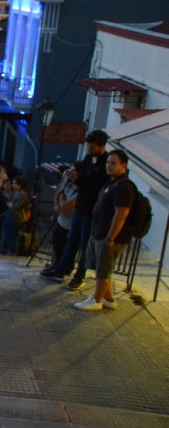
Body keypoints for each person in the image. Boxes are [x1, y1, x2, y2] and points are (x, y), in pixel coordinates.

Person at [40, 130, 110, 289]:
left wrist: (77, 181)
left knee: (84, 244)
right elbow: (82, 174)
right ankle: (61, 269)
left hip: (91, 209)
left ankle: (79, 276)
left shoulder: (104, 164)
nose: (89, 150)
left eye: (92, 148)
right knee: (72, 239)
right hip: (81, 207)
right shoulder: (88, 159)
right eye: (88, 147)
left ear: (101, 146)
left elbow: (94, 186)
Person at [74, 150, 136, 311]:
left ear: (123, 166)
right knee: (103, 268)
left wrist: (110, 237)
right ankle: (108, 298)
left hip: (109, 236)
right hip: (99, 232)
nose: (109, 165)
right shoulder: (111, 183)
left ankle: (96, 299)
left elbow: (121, 213)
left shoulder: (124, 186)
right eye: (108, 162)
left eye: (113, 163)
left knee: (103, 269)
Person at [47, 166, 79, 271]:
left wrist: (61, 197)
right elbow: (57, 193)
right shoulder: (66, 182)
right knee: (55, 243)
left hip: (69, 225)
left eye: (72, 171)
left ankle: (63, 269)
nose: (69, 173)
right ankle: (54, 265)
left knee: (64, 248)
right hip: (60, 221)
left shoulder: (78, 190)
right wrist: (58, 203)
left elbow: (65, 207)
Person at [1, 175, 29, 256]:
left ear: (20, 185)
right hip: (9, 214)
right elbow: (9, 202)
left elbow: (18, 205)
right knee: (7, 233)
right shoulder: (14, 193)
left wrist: (12, 204)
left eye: (14, 183)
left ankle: (11, 251)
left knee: (13, 235)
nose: (13, 185)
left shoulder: (23, 195)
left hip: (16, 217)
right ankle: (6, 250)